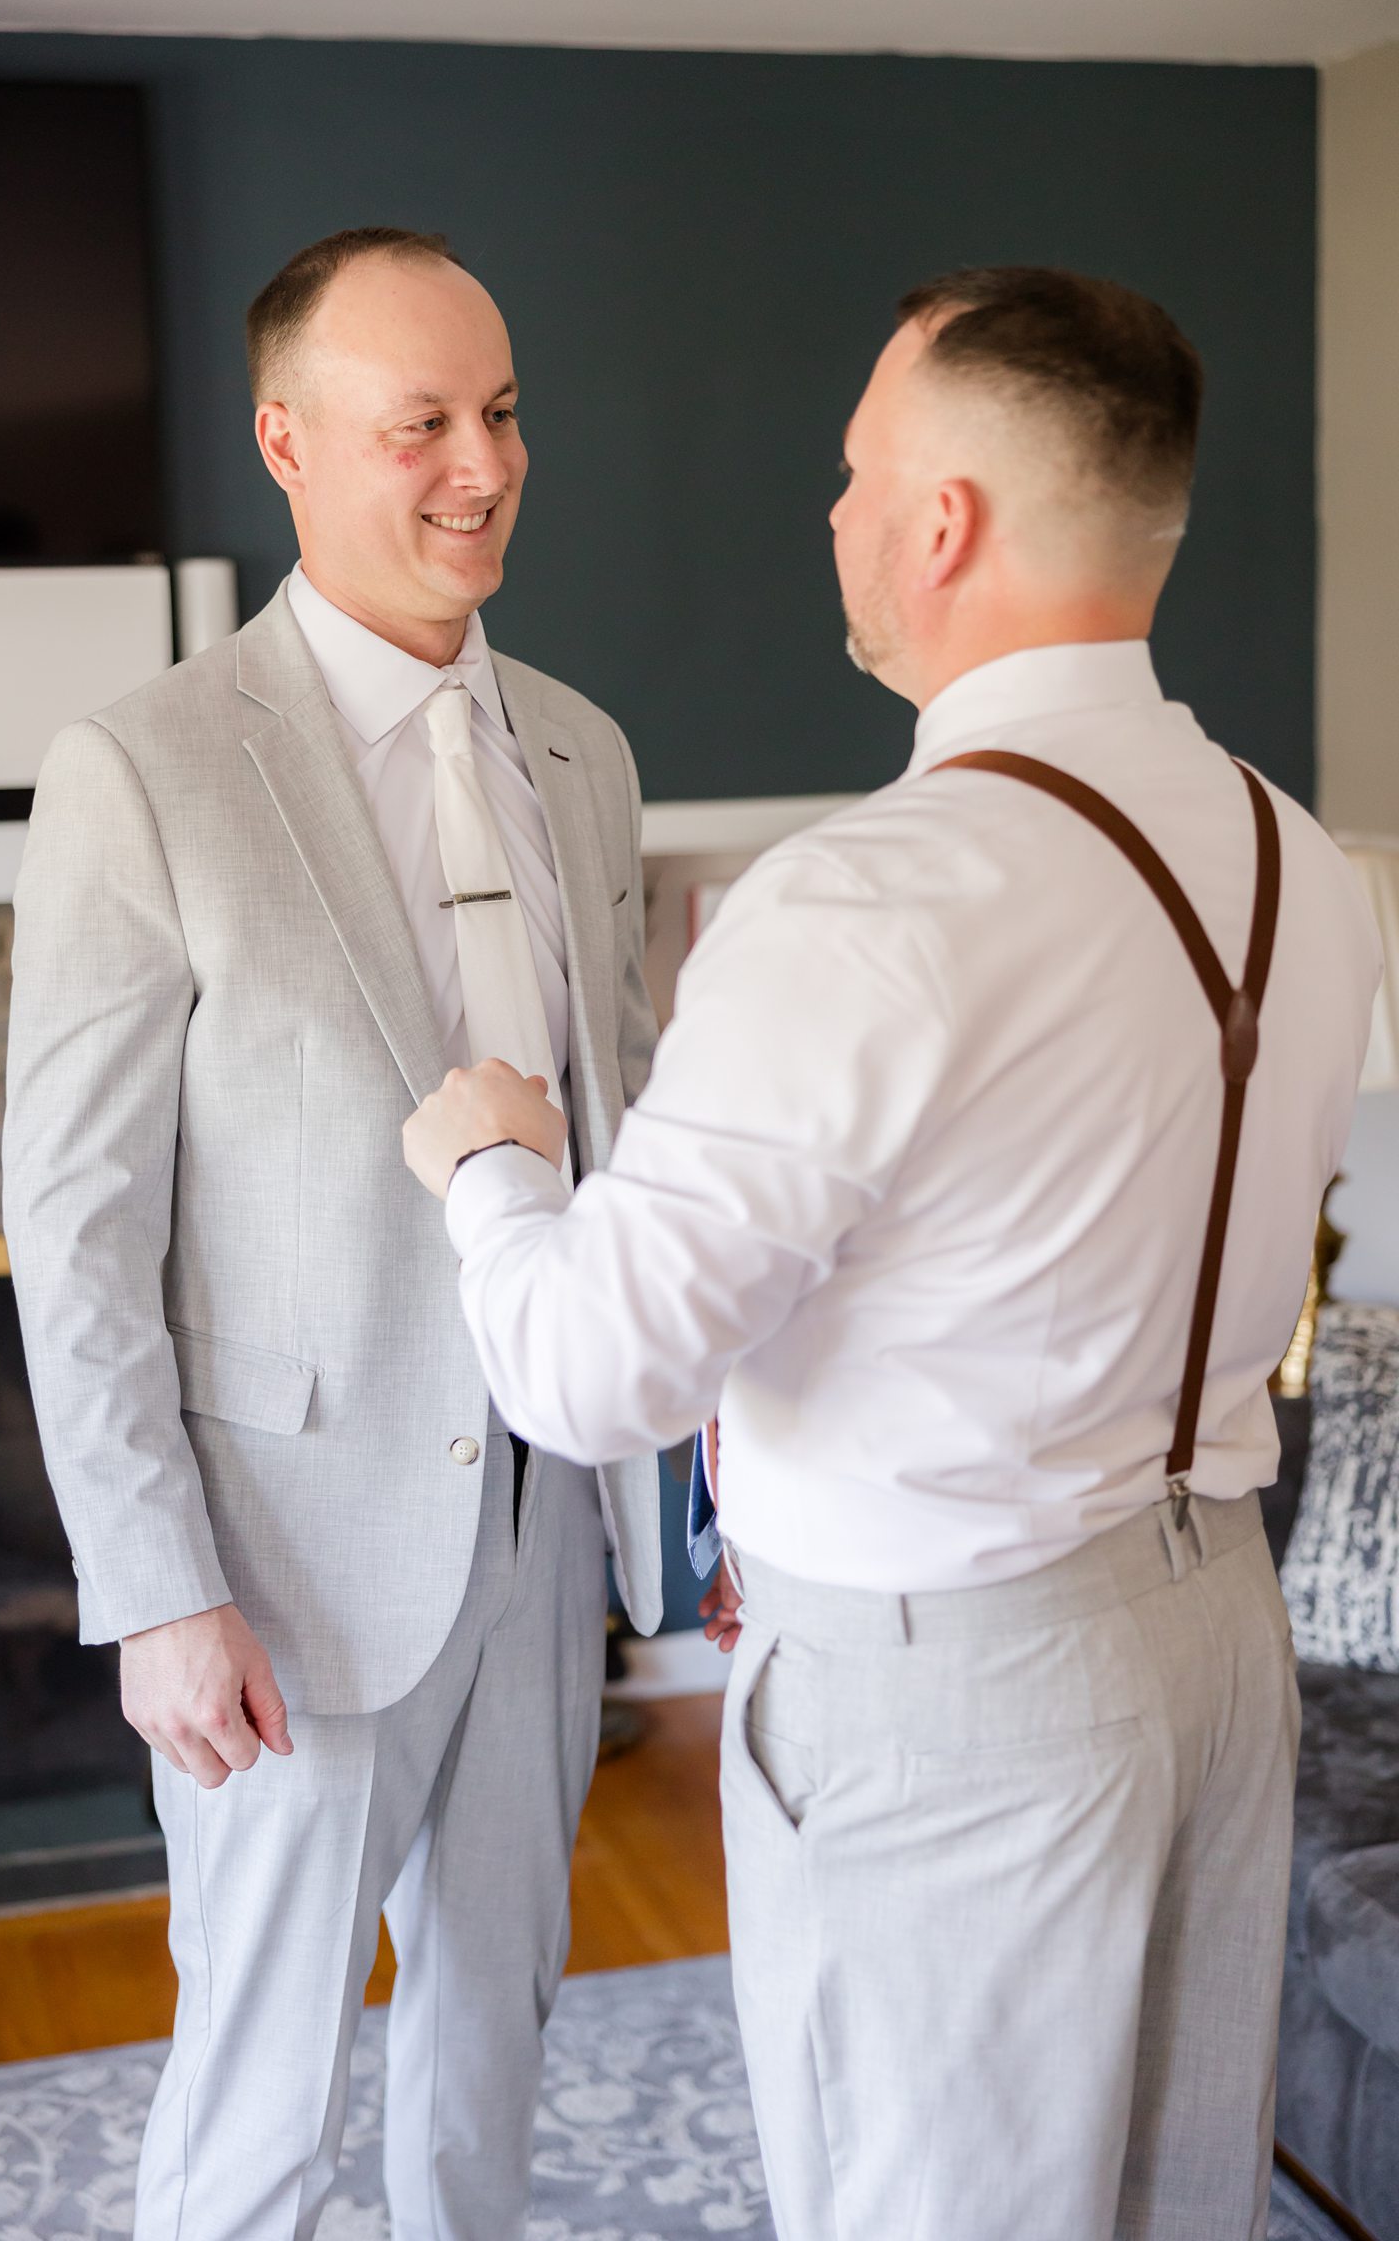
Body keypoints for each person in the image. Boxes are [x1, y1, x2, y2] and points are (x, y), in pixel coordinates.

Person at [402, 267, 1382, 2240]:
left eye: (857, 475)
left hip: (960, 1689)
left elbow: (594, 1371)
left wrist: (491, 1168)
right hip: (1212, 1644)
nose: (832, 516)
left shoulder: (864, 894)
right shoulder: (1303, 858)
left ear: (943, 524)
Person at [2, 226, 661, 2241]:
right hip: (279, 1572)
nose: (484, 464)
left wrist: (685, 1504)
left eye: (504, 411)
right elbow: (78, 1218)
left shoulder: (585, 753)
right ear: (286, 442)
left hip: (550, 1539)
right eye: (422, 425)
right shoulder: (148, 768)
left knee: (490, 2056)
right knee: (263, 2095)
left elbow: (620, 1143)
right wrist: (151, 1589)